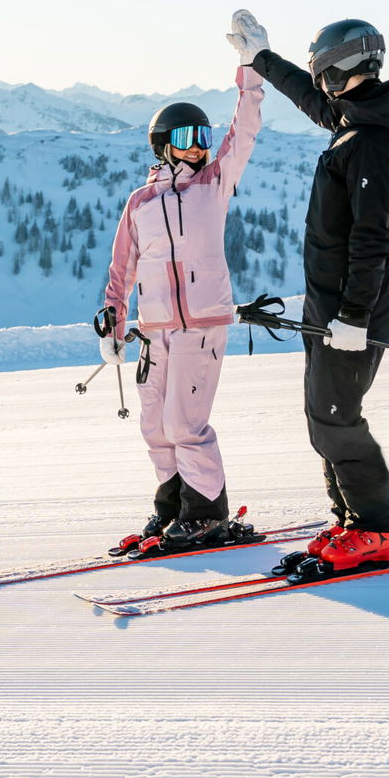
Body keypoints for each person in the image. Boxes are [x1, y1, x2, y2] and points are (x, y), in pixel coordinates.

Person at [225, 9, 389, 571]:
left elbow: (372, 239)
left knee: (337, 417)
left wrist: (355, 316)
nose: (319, 85)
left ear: (340, 69)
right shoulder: (360, 121)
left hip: (351, 314)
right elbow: (315, 105)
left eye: (321, 73)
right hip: (332, 309)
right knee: (323, 416)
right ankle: (351, 520)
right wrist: (260, 60)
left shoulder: (371, 144)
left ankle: (378, 528)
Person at [94, 59, 264, 558]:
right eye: (188, 135)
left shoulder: (214, 184)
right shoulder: (141, 202)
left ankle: (206, 512)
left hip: (201, 327)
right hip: (153, 330)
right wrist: (113, 320)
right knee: (155, 427)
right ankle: (173, 507)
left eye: (204, 135)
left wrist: (251, 70)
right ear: (163, 142)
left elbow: (245, 130)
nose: (199, 146)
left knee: (185, 424)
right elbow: (121, 267)